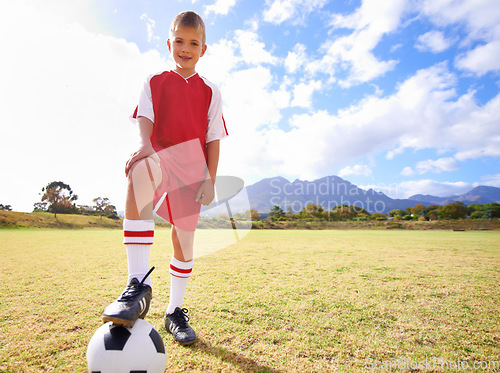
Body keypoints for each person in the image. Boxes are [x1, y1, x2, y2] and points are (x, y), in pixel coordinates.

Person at [102, 10, 228, 346]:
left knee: (183, 242)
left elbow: (213, 137)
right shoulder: (154, 81)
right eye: (180, 41)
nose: (185, 48)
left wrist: (210, 179)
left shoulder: (211, 91)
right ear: (169, 42)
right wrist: (145, 146)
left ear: (204, 49)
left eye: (194, 43)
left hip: (193, 169)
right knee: (139, 170)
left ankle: (174, 311)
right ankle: (136, 285)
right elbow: (145, 117)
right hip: (162, 157)